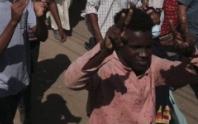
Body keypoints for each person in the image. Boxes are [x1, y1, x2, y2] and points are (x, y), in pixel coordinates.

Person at [64, 8, 198, 124]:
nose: (144, 54)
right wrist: (103, 50)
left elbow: (190, 75)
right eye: (136, 47)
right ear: (120, 44)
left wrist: (191, 52)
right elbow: (71, 81)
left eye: (148, 47)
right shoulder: (105, 67)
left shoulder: (153, 65)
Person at [16, 0, 66, 123]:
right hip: (17, 34)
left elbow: (51, 3)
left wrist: (59, 26)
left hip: (36, 34)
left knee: (30, 71)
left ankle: (25, 104)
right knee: (19, 71)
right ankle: (22, 106)